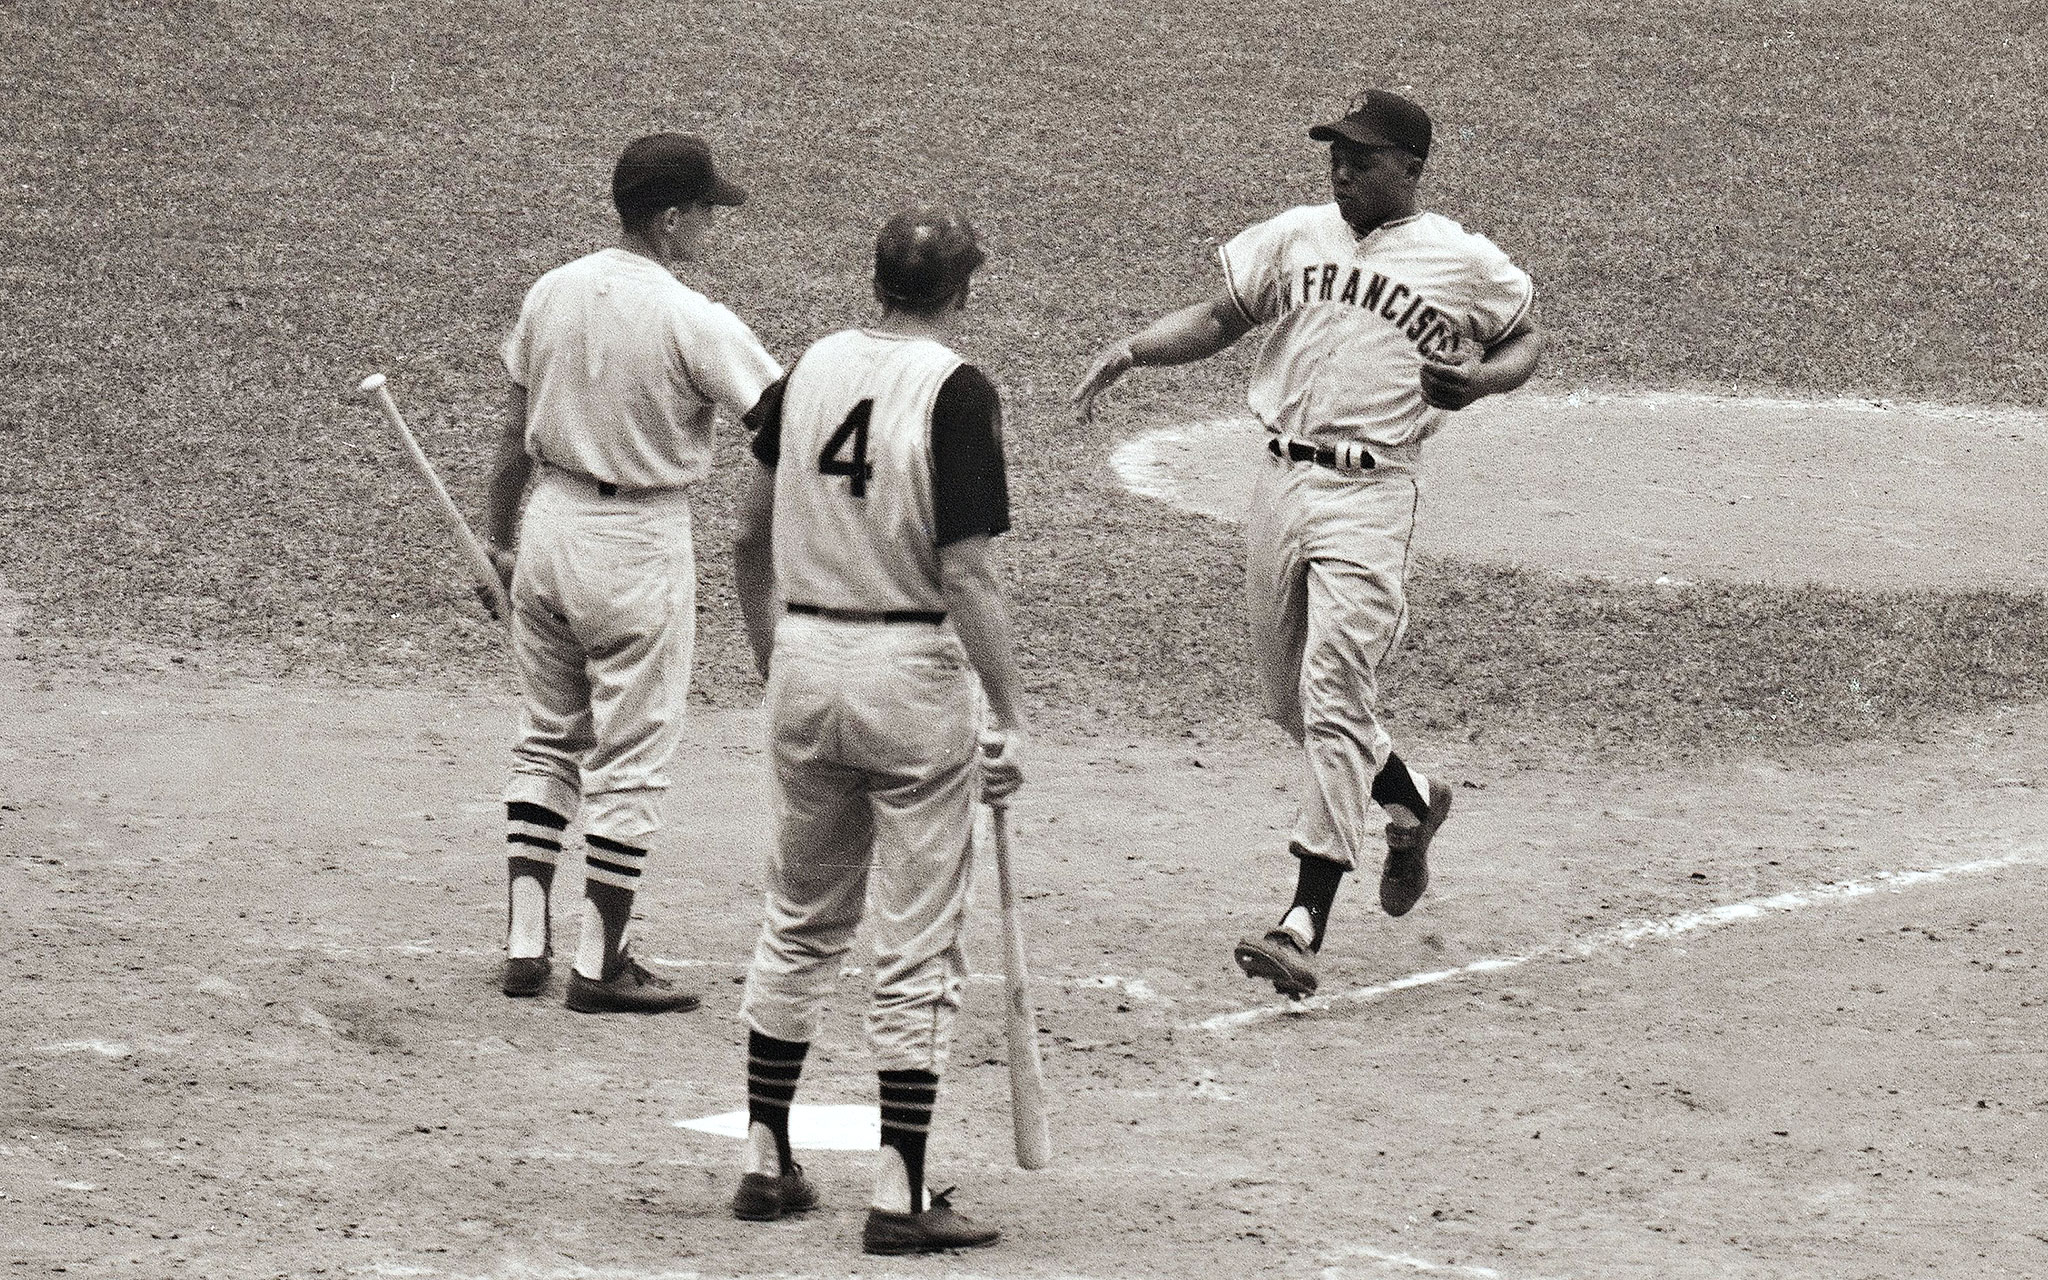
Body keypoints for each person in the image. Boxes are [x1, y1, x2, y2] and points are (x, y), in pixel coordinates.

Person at [1071, 89, 1540, 999]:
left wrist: (1478, 381)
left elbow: (1525, 337)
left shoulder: (1463, 260)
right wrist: (1132, 349)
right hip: (1280, 482)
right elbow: (1219, 318)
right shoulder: (1297, 235)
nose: (1342, 170)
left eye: (1362, 158)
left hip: (1372, 495)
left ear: (1410, 169)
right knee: (1291, 703)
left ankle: (1303, 919)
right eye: (1336, 153)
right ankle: (1409, 799)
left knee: (1333, 694)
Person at [727, 206, 1025, 1255]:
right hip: (910, 674)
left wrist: (776, 659)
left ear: (876, 280)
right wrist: (1011, 712)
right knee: (915, 941)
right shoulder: (954, 388)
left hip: (804, 659)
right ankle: (900, 1191)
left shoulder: (804, 368)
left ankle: (765, 1162)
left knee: (799, 916)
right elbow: (966, 574)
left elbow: (744, 535)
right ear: (962, 289)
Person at [483, 132, 783, 1013]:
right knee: (632, 757)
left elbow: (510, 442)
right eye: (704, 214)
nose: (711, 230)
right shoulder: (693, 316)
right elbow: (783, 420)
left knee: (548, 736)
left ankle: (524, 943)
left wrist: (500, 545)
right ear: (669, 217)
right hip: (638, 541)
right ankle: (599, 962)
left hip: (547, 527)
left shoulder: (551, 292)